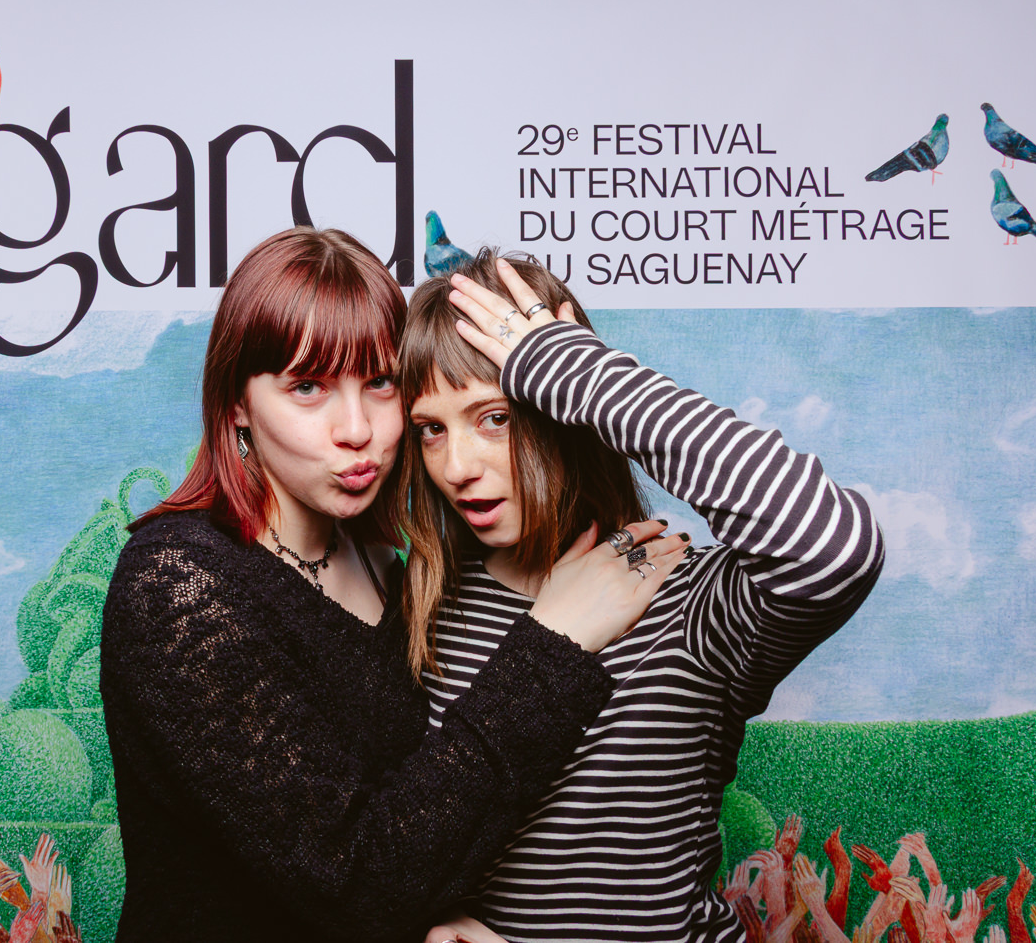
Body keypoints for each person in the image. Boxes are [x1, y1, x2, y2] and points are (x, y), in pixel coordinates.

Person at [98, 228, 682, 943]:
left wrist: (446, 919)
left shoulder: (388, 564)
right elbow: (352, 883)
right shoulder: (177, 583)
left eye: (379, 382)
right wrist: (555, 639)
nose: (357, 429)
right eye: (307, 387)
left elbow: (411, 820)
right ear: (237, 404)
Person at [397, 251, 885, 943]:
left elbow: (834, 545)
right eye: (431, 429)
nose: (455, 467)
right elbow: (384, 852)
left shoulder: (689, 602)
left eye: (495, 417)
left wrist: (576, 370)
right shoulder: (426, 609)